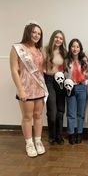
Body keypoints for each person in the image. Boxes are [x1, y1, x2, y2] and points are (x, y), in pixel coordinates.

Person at [9, 22, 48, 157]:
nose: (36, 35)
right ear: (28, 32)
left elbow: (42, 70)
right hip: (25, 88)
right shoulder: (17, 48)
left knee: (38, 116)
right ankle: (29, 143)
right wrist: (20, 90)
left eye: (39, 33)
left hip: (39, 88)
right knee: (27, 117)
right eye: (34, 32)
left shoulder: (39, 50)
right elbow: (14, 70)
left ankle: (38, 141)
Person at [44, 30, 67, 145]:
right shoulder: (46, 50)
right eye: (57, 37)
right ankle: (51, 135)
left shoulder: (64, 53)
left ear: (63, 41)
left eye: (61, 38)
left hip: (61, 82)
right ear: (53, 38)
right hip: (49, 81)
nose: (58, 40)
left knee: (60, 111)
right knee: (52, 111)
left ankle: (59, 136)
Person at [65, 39, 88, 145]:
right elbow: (63, 74)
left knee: (80, 113)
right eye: (73, 46)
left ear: (80, 48)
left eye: (77, 46)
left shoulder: (84, 60)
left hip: (82, 87)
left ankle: (79, 133)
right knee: (70, 113)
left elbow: (87, 73)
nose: (75, 49)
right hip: (71, 88)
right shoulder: (66, 61)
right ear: (70, 48)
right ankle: (70, 134)